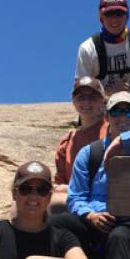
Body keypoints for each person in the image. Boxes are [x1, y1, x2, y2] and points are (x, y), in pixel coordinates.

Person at [49, 92, 130, 259]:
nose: (122, 117)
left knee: (120, 237)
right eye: (116, 112)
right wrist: (91, 215)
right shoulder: (91, 153)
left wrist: (129, 138)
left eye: (128, 112)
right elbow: (75, 197)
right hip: (93, 220)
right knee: (55, 225)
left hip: (127, 222)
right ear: (107, 116)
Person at [51, 76, 109, 213]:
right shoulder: (67, 141)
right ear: (73, 101)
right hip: (76, 199)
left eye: (93, 97)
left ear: (102, 101)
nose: (86, 102)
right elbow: (61, 179)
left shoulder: (112, 132)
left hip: (104, 198)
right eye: (81, 97)